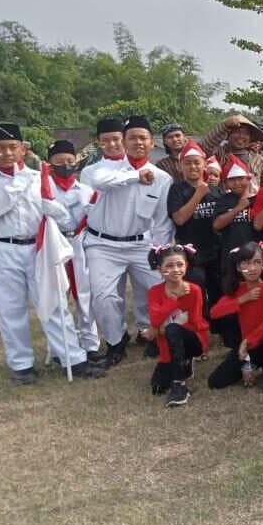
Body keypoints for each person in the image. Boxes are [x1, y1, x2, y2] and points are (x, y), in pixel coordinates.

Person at [0, 123, 104, 383]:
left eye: (12, 147)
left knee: (54, 304)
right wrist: (18, 181)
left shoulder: (39, 177)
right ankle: (21, 364)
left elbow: (61, 216)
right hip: (1, 247)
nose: (6, 153)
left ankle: (73, 358)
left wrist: (54, 209)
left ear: (22, 149)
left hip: (37, 247)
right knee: (11, 308)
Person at [81, 116, 174, 366]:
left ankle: (156, 335)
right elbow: (100, 183)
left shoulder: (161, 177)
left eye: (143, 137)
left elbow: (162, 221)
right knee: (104, 297)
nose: (137, 142)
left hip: (141, 244)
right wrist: (135, 176)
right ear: (123, 141)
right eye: (131, 137)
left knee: (162, 287)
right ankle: (116, 341)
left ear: (152, 141)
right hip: (102, 244)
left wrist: (160, 252)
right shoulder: (96, 170)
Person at [47, 139, 102, 363]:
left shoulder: (86, 190)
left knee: (85, 294)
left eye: (70, 161)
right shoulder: (43, 188)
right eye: (60, 162)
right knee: (57, 296)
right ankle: (62, 347)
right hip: (54, 243)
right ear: (50, 164)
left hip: (80, 242)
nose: (66, 165)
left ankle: (90, 344)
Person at [208, 243, 263, 394]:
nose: (252, 268)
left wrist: (247, 340)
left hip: (262, 344)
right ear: (238, 267)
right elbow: (214, 313)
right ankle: (251, 366)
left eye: (257, 262)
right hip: (248, 349)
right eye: (247, 263)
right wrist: (242, 300)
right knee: (215, 381)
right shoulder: (239, 289)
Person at [145, 244, 209, 407]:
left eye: (180, 265)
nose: (175, 270)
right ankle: (182, 366)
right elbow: (155, 320)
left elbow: (195, 324)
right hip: (168, 346)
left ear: (186, 266)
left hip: (193, 340)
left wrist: (159, 330)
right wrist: (174, 298)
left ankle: (180, 386)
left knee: (173, 329)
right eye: (169, 266)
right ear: (160, 269)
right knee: (157, 387)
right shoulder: (154, 292)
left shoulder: (194, 290)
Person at [167, 141, 222, 322]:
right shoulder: (177, 190)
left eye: (197, 162)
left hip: (216, 249)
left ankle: (217, 326)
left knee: (218, 289)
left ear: (204, 165)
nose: (193, 166)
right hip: (191, 252)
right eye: (188, 163)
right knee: (195, 289)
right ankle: (198, 324)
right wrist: (198, 194)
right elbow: (179, 219)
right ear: (181, 166)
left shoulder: (215, 190)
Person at [211, 157, 260, 299]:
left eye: (241, 178)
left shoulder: (258, 198)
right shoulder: (223, 200)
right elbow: (217, 225)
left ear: (248, 179)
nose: (237, 183)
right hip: (230, 257)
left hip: (254, 255)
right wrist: (238, 208)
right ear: (225, 183)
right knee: (231, 293)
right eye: (232, 180)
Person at [200, 114, 263, 195]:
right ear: (228, 135)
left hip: (251, 204)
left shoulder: (258, 159)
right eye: (236, 132)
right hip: (222, 204)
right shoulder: (219, 154)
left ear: (250, 137)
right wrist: (224, 125)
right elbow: (203, 147)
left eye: (245, 133)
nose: (241, 136)